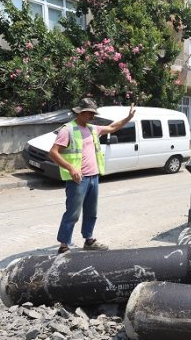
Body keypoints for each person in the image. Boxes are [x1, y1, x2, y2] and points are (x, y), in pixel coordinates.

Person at [49, 98, 135, 254]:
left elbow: (113, 127)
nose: (92, 116)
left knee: (91, 211)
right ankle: (64, 246)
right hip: (77, 179)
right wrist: (71, 168)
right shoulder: (67, 130)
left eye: (93, 113)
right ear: (80, 112)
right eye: (90, 113)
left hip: (94, 177)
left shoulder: (93, 129)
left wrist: (128, 118)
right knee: (72, 213)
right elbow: (53, 152)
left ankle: (89, 240)